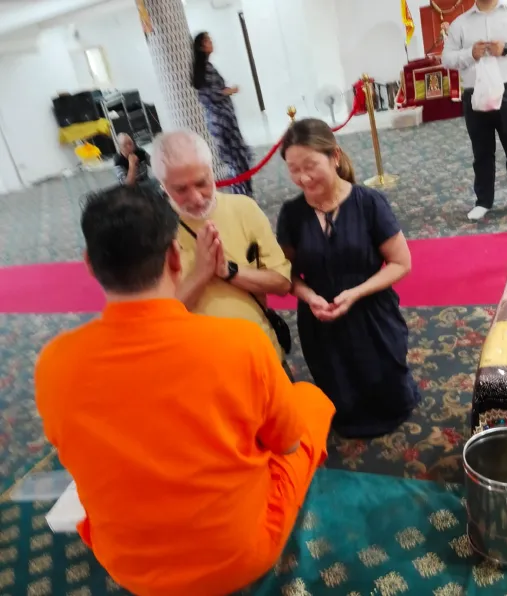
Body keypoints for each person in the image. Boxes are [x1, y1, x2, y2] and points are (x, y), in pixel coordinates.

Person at [34, 183, 336, 596]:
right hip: (240, 556)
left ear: (89, 264)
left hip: (128, 566)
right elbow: (284, 445)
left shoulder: (54, 361)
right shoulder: (240, 343)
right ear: (176, 257)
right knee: (310, 401)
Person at [276, 119, 419, 439]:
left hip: (372, 311)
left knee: (388, 390)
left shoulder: (368, 203)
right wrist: (309, 296)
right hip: (320, 318)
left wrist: (355, 293)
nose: (303, 177)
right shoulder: (292, 214)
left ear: (335, 156)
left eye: (310, 165)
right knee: (340, 394)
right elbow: (286, 274)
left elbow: (401, 263)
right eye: (293, 169)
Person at [152, 130, 294, 367]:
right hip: (203, 369)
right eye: (181, 189)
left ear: (212, 171)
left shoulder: (244, 209)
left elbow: (282, 283)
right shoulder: (154, 231)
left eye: (202, 183)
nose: (197, 198)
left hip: (261, 355)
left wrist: (229, 271)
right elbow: (158, 321)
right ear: (163, 186)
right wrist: (200, 273)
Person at [440, 0, 507, 221]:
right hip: (475, 94)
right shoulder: (460, 24)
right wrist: (470, 54)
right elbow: (446, 59)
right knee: (482, 153)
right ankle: (483, 201)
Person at [191, 31, 253, 196]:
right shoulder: (205, 69)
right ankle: (243, 195)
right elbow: (212, 95)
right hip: (222, 120)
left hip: (220, 120)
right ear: (201, 46)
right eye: (208, 41)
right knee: (237, 160)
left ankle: (244, 194)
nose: (212, 43)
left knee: (236, 160)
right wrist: (230, 90)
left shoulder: (205, 68)